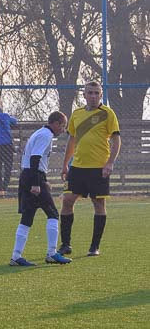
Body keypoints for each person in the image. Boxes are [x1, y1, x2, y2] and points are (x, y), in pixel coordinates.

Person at [58, 81, 121, 257]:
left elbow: (116, 140)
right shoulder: (76, 114)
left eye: (96, 93)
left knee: (99, 203)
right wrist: (65, 164)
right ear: (84, 95)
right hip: (77, 167)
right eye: (90, 93)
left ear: (101, 95)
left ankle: (94, 247)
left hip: (98, 168)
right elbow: (71, 140)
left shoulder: (107, 114)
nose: (93, 96)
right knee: (67, 201)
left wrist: (110, 163)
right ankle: (65, 245)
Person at [9, 111, 71, 266]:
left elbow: (36, 159)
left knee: (27, 218)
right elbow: (35, 158)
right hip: (32, 176)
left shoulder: (39, 132)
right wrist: (37, 183)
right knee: (53, 214)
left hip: (28, 175)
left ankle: (16, 256)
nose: (63, 130)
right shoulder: (46, 135)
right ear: (55, 123)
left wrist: (43, 180)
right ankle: (51, 253)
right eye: (62, 126)